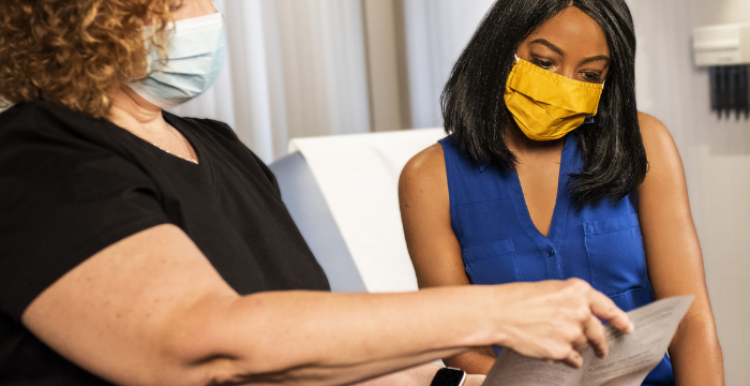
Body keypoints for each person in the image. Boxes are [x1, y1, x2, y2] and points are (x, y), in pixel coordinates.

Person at [0, 1, 634, 385]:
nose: (207, 18)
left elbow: (298, 350)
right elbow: (205, 342)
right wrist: (499, 311)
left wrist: (455, 382)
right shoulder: (36, 157)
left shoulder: (220, 149)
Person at [399, 0, 724, 385]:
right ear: (500, 50)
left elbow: (690, 320)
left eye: (588, 73)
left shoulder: (645, 143)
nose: (564, 84)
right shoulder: (428, 178)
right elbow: (460, 345)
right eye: (544, 62)